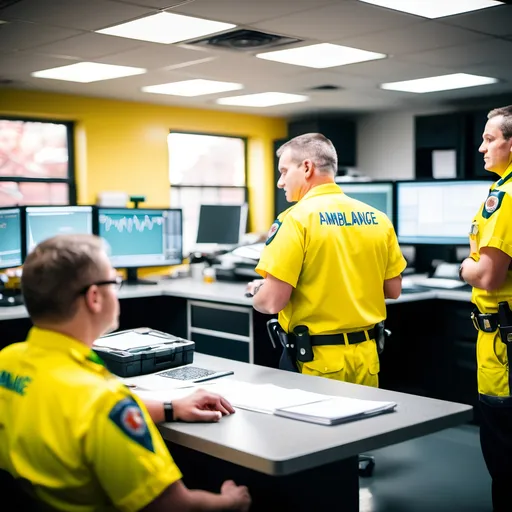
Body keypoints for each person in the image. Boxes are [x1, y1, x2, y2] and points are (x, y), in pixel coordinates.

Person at [0, 234, 251, 512]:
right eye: (113, 281)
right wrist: (231, 502)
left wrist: (171, 408)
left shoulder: (7, 361)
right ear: (94, 297)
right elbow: (173, 507)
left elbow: (69, 414)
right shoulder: (104, 400)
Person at [246, 133, 406, 387]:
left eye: (284, 171)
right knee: (367, 427)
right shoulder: (378, 218)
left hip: (316, 362)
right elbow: (393, 289)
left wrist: (258, 291)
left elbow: (272, 302)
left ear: (307, 167)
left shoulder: (295, 220)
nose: (280, 182)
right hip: (367, 358)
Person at [459, 105, 512, 512]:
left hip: (504, 345)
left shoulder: (505, 197)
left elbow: (489, 275)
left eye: (490, 138)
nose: (481, 148)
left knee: (504, 461)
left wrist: (465, 265)